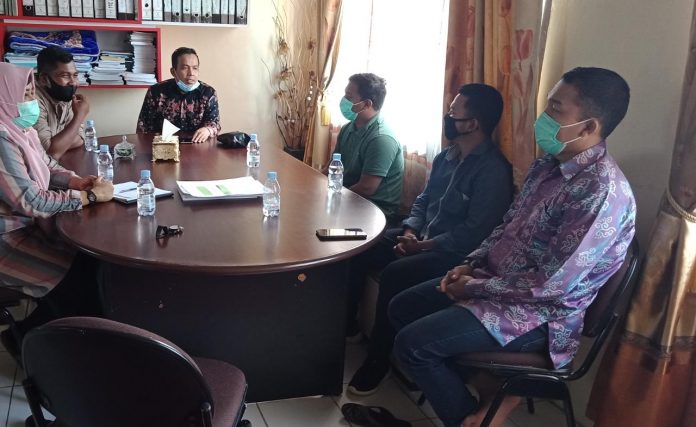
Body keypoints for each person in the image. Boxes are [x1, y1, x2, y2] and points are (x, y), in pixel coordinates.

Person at [389, 67, 636, 427]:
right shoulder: (547, 165)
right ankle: (489, 397)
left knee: (413, 345)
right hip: (495, 284)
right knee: (403, 306)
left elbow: (551, 286)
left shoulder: (600, 192)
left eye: (555, 108)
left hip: (541, 316)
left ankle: (472, 418)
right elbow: (508, 225)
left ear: (587, 127)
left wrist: (473, 287)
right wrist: (471, 264)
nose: (543, 117)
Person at [346, 84, 514, 396]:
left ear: (472, 124)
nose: (447, 117)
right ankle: (349, 324)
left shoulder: (493, 171)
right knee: (361, 246)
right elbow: (423, 200)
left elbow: (474, 232)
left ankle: (378, 360)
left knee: (396, 273)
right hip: (421, 236)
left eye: (453, 113)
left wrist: (422, 246)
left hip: (455, 254)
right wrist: (410, 231)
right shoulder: (447, 157)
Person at [0, 63, 114, 359]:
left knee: (91, 262)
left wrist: (77, 180)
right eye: (25, 94)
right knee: (75, 279)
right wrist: (87, 196)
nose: (30, 101)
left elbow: (48, 165)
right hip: (7, 240)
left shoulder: (18, 129)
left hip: (27, 227)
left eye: (31, 93)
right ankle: (33, 344)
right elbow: (31, 201)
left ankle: (80, 338)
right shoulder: (1, 139)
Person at [332, 73, 403, 221]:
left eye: (349, 97)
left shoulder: (381, 139)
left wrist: (332, 198)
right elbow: (331, 167)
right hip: (347, 197)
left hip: (374, 211)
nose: (344, 100)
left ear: (367, 104)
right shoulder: (347, 129)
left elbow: (366, 188)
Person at [136, 47, 221, 143]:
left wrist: (208, 130)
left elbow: (215, 123)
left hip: (197, 145)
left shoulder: (208, 93)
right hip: (163, 145)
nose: (191, 73)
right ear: (173, 71)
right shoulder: (156, 91)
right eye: (185, 68)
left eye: (195, 68)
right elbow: (143, 127)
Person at [34, 46, 89, 159]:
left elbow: (81, 138)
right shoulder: (31, 99)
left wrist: (60, 144)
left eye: (75, 75)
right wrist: (79, 116)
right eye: (65, 76)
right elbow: (50, 153)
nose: (73, 83)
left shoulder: (63, 96)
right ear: (44, 79)